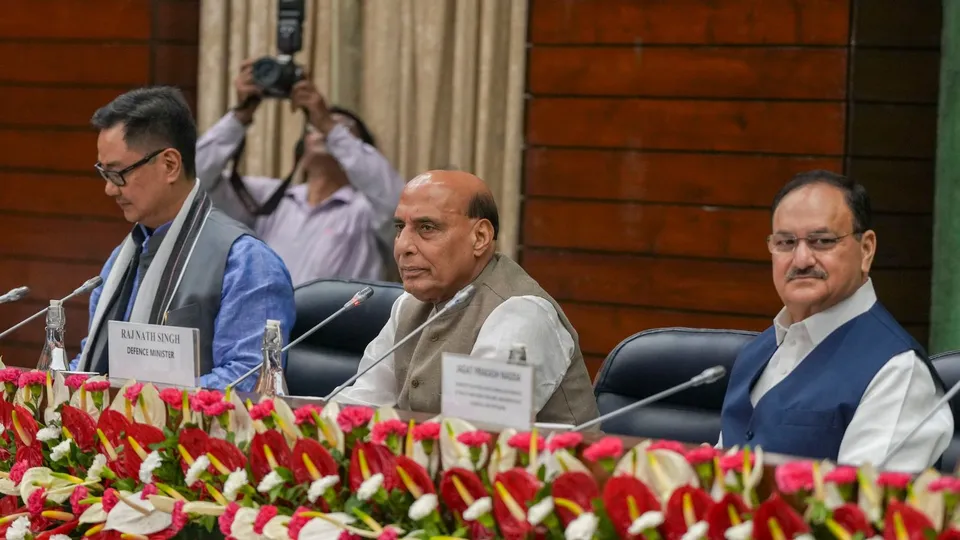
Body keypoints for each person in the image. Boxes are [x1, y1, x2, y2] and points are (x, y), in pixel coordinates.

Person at [718, 170, 953, 471]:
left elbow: (862, 508)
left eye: (822, 241)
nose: (801, 260)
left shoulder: (897, 372)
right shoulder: (757, 352)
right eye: (786, 243)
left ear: (866, 250)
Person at [70, 86, 296, 392]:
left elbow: (250, 380)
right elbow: (93, 359)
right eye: (104, 173)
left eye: (118, 173)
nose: (110, 189)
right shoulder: (123, 258)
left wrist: (142, 398)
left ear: (169, 165)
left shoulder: (244, 261)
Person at [332, 170, 600, 425]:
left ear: (480, 237)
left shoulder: (521, 314)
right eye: (400, 227)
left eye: (426, 228)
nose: (403, 246)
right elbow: (361, 404)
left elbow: (472, 441)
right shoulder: (410, 305)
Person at [195, 60, 405, 285]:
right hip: (267, 318)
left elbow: (395, 200)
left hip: (340, 319)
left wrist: (327, 125)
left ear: (358, 151)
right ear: (301, 146)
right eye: (316, 127)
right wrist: (241, 115)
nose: (325, 132)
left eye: (342, 128)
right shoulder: (269, 200)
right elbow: (197, 178)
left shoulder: (364, 210)